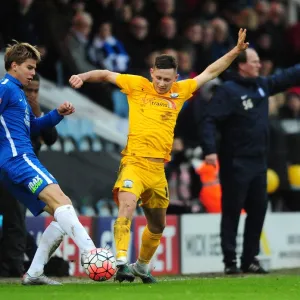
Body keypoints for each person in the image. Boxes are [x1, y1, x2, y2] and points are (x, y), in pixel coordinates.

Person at [69, 29, 249, 283]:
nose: (163, 83)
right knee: (127, 206)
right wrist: (82, 76)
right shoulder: (137, 85)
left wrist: (236, 51)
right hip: (133, 162)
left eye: (168, 79)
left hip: (157, 170)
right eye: (159, 78)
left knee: (157, 226)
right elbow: (107, 74)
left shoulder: (180, 91)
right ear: (152, 72)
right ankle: (121, 261)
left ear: (175, 77)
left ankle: (142, 267)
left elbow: (211, 72)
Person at [0, 41, 96, 285]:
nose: (33, 73)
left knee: (62, 212)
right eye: (29, 67)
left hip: (16, 160)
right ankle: (93, 255)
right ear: (14, 66)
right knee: (63, 204)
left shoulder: (17, 93)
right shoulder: (5, 89)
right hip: (18, 159)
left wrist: (57, 114)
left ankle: (33, 273)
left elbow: (32, 127)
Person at [200, 48, 300, 275]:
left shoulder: (262, 86)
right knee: (232, 210)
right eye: (254, 62)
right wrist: (210, 149)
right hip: (235, 161)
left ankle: (249, 258)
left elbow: (287, 77)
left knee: (258, 209)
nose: (259, 65)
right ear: (242, 65)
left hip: (258, 162)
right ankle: (229, 260)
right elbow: (209, 120)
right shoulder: (228, 91)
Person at [0, 73, 59, 278]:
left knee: (16, 221)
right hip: (8, 168)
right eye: (29, 90)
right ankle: (12, 269)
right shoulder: (10, 104)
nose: (32, 94)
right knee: (14, 222)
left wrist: (38, 112)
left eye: (36, 90)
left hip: (23, 174)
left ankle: (12, 269)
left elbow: (50, 138)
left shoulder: (31, 110)